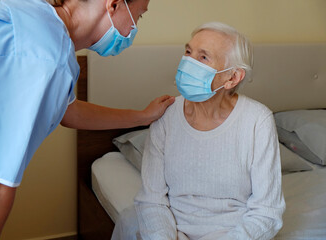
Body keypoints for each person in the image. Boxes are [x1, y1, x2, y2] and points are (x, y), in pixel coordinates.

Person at [0, 0, 175, 239]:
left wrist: (143, 116)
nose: (135, 28)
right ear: (114, 4)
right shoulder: (45, 55)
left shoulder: (41, 24)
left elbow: (68, 111)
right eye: (140, 16)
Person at [122, 22, 285, 240]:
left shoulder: (258, 120)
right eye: (188, 52)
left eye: (203, 57)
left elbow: (267, 211)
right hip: (172, 230)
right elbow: (152, 201)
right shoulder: (166, 115)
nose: (188, 62)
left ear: (233, 77)